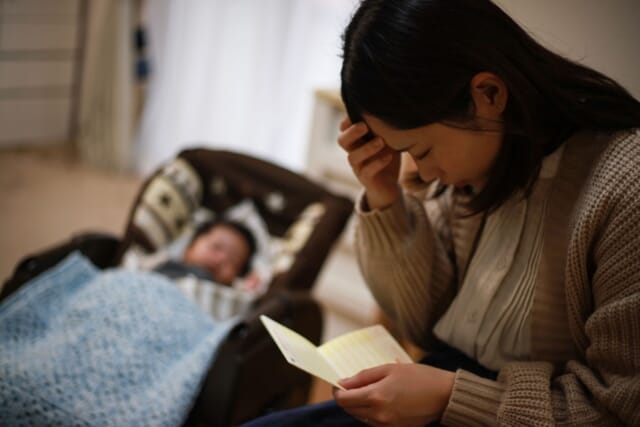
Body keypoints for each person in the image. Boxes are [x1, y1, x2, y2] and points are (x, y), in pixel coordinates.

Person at [242, 0, 640, 425]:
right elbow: (422, 325)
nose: (425, 172)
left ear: (488, 94)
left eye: (422, 150)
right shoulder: (481, 169)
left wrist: (451, 394)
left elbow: (616, 408)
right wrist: (384, 199)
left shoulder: (623, 184)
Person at [154, 219, 257, 286]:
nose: (220, 259)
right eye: (216, 247)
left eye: (233, 260)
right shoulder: (161, 266)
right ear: (191, 245)